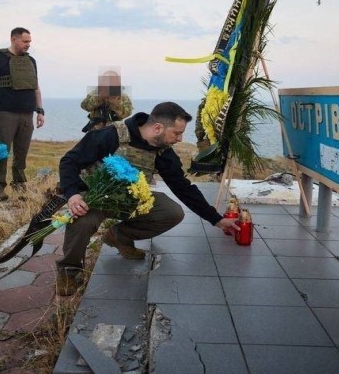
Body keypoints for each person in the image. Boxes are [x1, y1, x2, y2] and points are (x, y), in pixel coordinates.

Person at [55, 101, 240, 295]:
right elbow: (69, 161)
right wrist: (73, 195)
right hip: (94, 199)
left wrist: (216, 219)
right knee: (81, 221)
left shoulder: (163, 152)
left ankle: (119, 237)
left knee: (171, 212)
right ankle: (69, 270)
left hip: (131, 201)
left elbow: (183, 188)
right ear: (158, 127)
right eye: (176, 133)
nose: (179, 139)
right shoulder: (111, 135)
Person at [0, 27, 45, 201]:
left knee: (21, 152)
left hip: (27, 114)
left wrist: (40, 110)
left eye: (29, 41)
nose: (28, 45)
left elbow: (36, 87)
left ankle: (20, 185)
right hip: (5, 113)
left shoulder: (31, 61)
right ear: (13, 39)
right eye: (25, 41)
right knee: (1, 151)